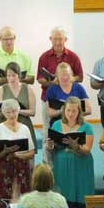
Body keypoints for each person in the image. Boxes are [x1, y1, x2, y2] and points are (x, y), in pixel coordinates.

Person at [46, 96, 94, 208]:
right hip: (62, 166)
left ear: (79, 111)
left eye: (74, 110)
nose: (71, 113)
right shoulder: (56, 125)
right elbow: (52, 147)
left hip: (81, 166)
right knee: (64, 198)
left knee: (80, 197)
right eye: (68, 110)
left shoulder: (86, 127)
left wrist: (76, 146)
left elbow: (87, 150)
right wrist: (50, 145)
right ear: (64, 110)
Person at [37, 26, 84, 164]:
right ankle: (47, 162)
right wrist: (52, 81)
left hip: (70, 100)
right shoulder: (44, 57)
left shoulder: (73, 57)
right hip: (49, 98)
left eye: (60, 39)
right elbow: (39, 78)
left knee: (70, 127)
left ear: (65, 39)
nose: (58, 42)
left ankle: (68, 158)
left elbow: (80, 77)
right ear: (50, 39)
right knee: (47, 128)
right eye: (55, 39)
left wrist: (67, 78)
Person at [0, 26, 34, 136]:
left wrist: (15, 77)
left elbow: (31, 79)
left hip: (19, 96)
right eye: (5, 39)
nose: (8, 42)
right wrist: (8, 79)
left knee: (19, 128)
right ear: (0, 38)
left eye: (11, 38)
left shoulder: (24, 56)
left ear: (15, 38)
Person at [0, 62, 37, 152]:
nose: (11, 78)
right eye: (8, 75)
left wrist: (17, 111)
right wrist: (2, 111)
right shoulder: (1, 89)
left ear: (19, 75)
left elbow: (33, 112)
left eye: (14, 75)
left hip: (24, 124)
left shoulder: (28, 89)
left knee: (26, 155)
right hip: (6, 126)